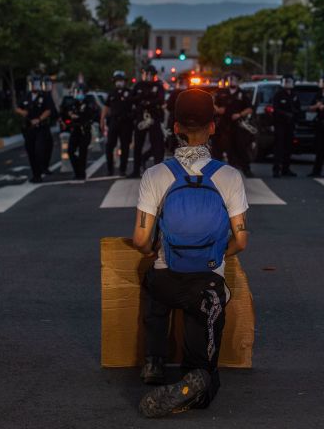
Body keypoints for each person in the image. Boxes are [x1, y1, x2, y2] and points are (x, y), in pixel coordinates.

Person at [132, 88, 249, 418]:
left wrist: (157, 247)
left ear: (175, 128)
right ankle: (196, 378)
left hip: (167, 279)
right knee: (207, 374)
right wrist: (214, 254)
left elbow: (140, 239)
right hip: (207, 285)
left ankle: (154, 361)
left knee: (151, 282)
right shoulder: (228, 176)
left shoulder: (155, 175)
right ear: (213, 127)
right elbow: (240, 241)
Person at [213, 73, 255, 178]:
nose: (232, 81)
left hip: (238, 125)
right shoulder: (222, 92)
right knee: (221, 148)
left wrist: (239, 114)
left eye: (235, 80)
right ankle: (218, 173)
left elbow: (249, 109)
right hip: (223, 125)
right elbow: (213, 104)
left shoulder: (243, 94)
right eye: (230, 79)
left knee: (241, 147)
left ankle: (246, 169)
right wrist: (218, 110)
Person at [130, 66, 166, 178]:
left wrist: (148, 102)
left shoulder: (158, 86)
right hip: (141, 117)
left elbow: (160, 99)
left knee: (157, 144)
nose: (148, 76)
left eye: (151, 74)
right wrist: (142, 98)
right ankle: (136, 170)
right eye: (147, 73)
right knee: (138, 145)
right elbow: (132, 99)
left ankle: (158, 171)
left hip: (154, 117)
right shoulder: (138, 86)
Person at [16, 76, 52, 183]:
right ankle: (36, 175)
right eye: (33, 84)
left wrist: (39, 119)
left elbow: (48, 110)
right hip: (28, 128)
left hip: (41, 127)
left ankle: (41, 169)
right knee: (30, 151)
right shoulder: (25, 96)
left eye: (36, 84)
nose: (34, 86)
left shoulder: (44, 96)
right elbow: (18, 107)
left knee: (39, 150)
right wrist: (22, 112)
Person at [62, 84, 99, 180]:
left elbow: (91, 114)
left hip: (85, 129)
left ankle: (81, 173)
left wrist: (79, 116)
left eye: (78, 92)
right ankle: (77, 170)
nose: (77, 94)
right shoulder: (73, 103)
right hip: (75, 129)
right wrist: (69, 115)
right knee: (70, 150)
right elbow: (65, 113)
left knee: (83, 152)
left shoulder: (89, 102)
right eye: (75, 92)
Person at [101, 71, 134, 176]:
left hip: (126, 123)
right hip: (114, 122)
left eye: (121, 80)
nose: (119, 83)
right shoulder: (111, 93)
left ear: (124, 81)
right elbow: (106, 107)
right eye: (117, 81)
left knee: (125, 147)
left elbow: (134, 107)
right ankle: (110, 169)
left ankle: (122, 169)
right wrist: (102, 120)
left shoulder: (129, 93)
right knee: (109, 146)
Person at [271, 74, 300, 178]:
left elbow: (298, 108)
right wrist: (285, 114)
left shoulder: (294, 95)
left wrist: (295, 117)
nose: (288, 83)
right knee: (279, 148)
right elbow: (275, 109)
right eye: (286, 81)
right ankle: (276, 170)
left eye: (289, 81)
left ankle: (286, 169)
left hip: (290, 125)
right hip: (280, 125)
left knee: (288, 148)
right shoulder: (278, 94)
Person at [164, 76, 190, 156]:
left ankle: (173, 150)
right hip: (186, 120)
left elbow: (168, 106)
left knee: (174, 139)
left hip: (175, 119)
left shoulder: (174, 93)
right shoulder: (189, 93)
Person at [41, 76, 58, 174]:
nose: (48, 86)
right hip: (40, 126)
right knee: (42, 147)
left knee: (48, 146)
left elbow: (53, 111)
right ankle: (42, 167)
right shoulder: (42, 96)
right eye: (46, 84)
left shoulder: (48, 95)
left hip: (46, 125)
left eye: (49, 84)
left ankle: (44, 167)